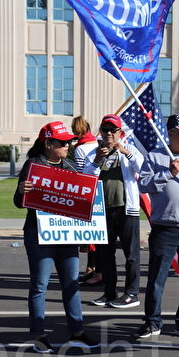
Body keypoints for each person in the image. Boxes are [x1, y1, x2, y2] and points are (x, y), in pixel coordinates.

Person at [14, 121, 99, 353]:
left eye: (69, 142)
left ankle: (77, 331)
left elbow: (83, 201)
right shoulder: (33, 165)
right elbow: (18, 203)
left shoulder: (70, 166)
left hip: (66, 235)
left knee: (71, 284)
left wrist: (86, 234)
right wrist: (23, 191)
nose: (67, 146)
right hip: (39, 235)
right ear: (49, 144)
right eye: (62, 142)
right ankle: (39, 334)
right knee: (40, 285)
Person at [136, 114, 179, 339]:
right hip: (165, 226)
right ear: (171, 134)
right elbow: (143, 184)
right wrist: (168, 173)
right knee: (157, 277)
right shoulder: (155, 156)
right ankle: (153, 321)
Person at [82, 114, 144, 308]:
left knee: (131, 254)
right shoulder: (94, 152)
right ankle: (109, 293)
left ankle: (131, 293)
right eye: (105, 129)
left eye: (112, 130)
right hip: (103, 211)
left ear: (120, 132)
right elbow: (85, 177)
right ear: (100, 131)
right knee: (104, 254)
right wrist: (97, 160)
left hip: (127, 210)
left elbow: (142, 169)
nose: (109, 133)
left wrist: (125, 151)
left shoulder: (130, 149)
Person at [71, 116, 100, 284]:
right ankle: (94, 267)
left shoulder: (79, 149)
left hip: (86, 192)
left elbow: (81, 172)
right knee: (95, 234)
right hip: (98, 191)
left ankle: (91, 267)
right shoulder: (96, 144)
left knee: (88, 234)